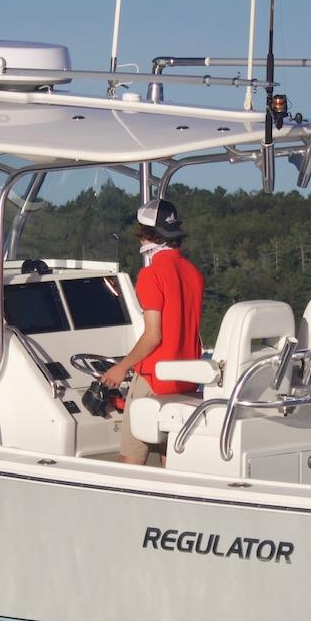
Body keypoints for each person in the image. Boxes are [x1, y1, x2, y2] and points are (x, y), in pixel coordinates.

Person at [100, 198, 205, 466]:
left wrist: (120, 368)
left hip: (154, 379)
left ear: (147, 235)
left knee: (132, 460)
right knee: (173, 460)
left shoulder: (151, 275)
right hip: (186, 380)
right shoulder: (194, 273)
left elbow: (153, 336)